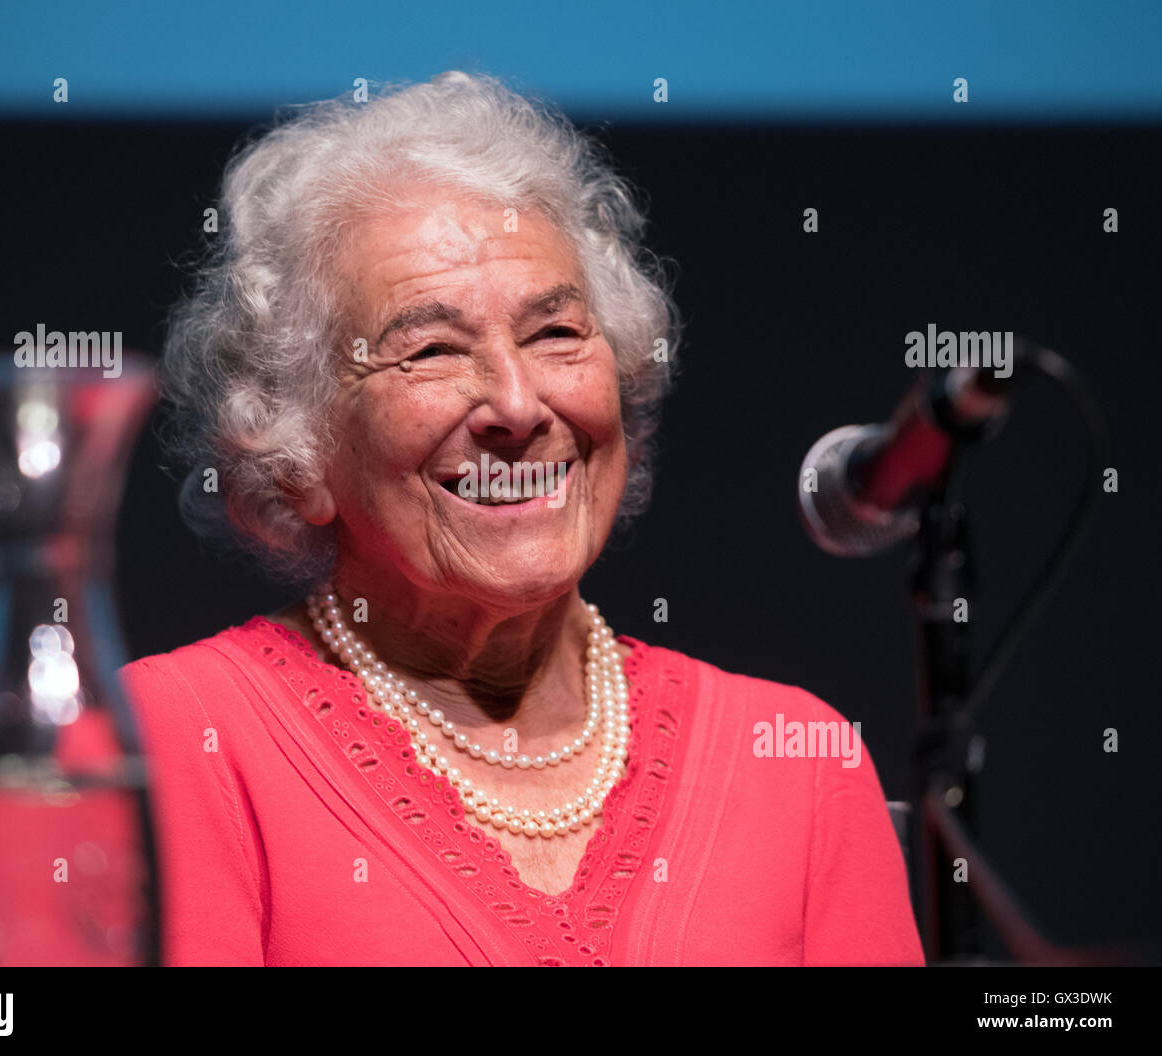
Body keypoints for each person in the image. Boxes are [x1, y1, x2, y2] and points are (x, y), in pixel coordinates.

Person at [121, 71, 924, 966]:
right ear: (298, 455)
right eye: (428, 350)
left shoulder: (798, 765)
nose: (516, 401)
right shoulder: (175, 737)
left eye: (555, 335)